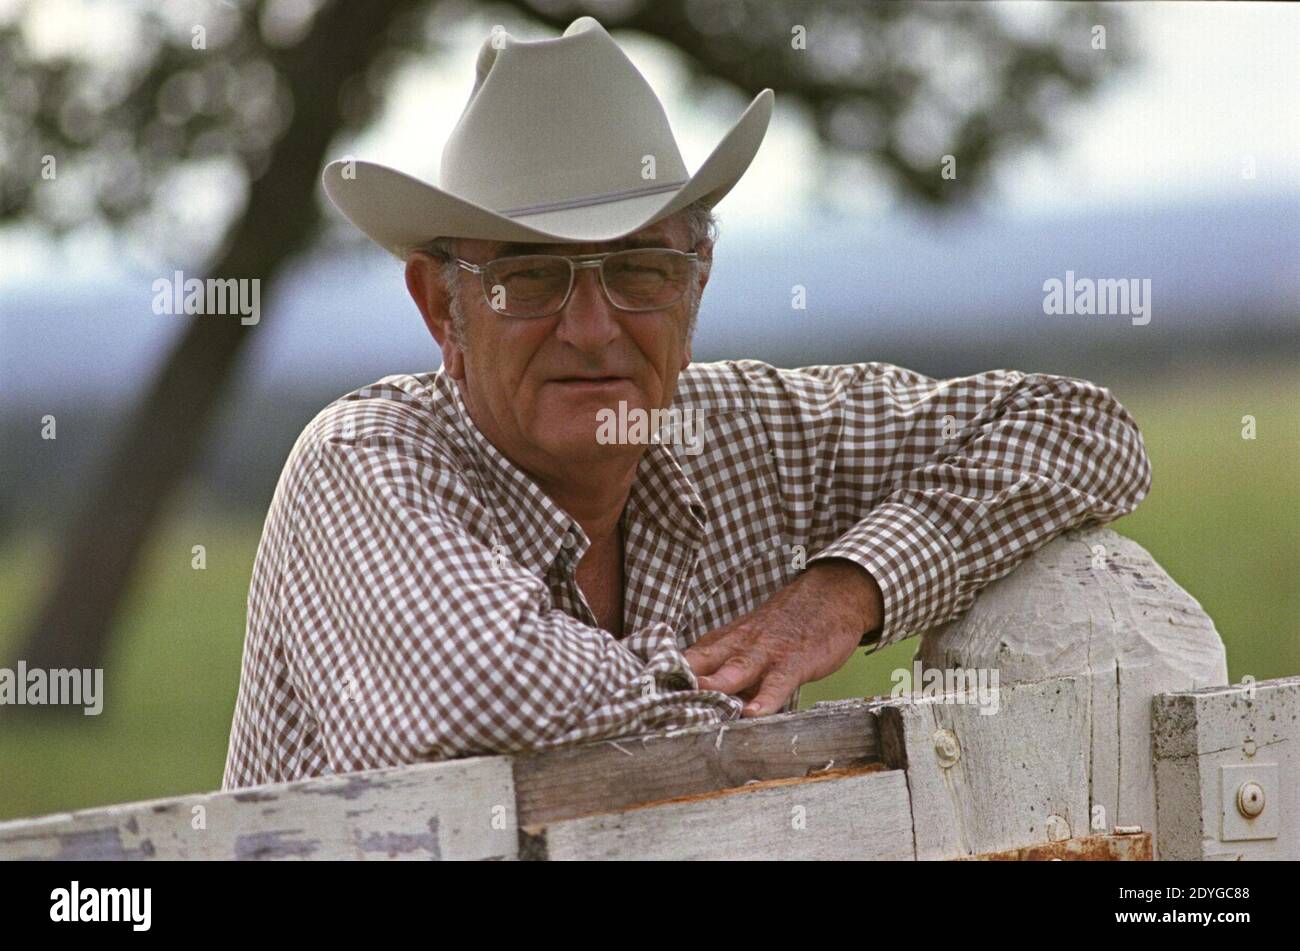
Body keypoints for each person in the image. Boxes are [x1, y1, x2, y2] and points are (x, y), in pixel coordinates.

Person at [222, 17, 1150, 789]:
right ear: (442, 306)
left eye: (640, 267)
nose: (592, 327)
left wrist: (847, 588)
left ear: (696, 282)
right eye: (534, 276)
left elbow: (1086, 430)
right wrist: (764, 708)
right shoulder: (363, 464)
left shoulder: (756, 431)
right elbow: (495, 700)